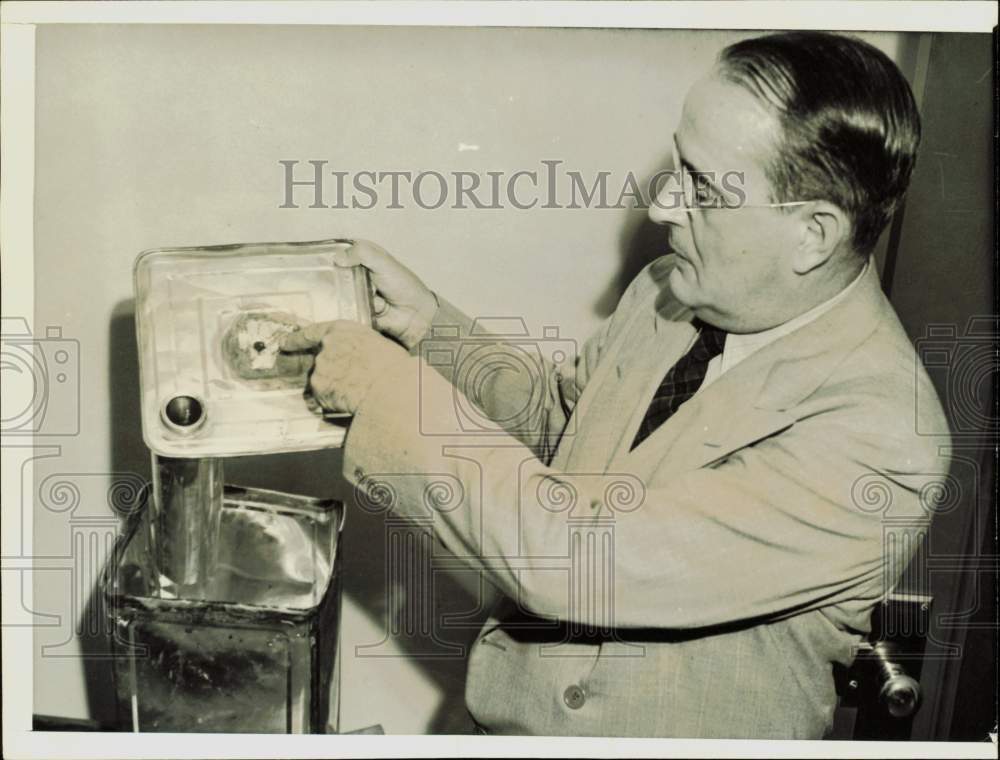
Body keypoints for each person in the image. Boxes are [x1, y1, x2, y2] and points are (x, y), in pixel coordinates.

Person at [280, 31, 951, 738]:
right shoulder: (674, 289)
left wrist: (389, 395)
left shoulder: (880, 437)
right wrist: (428, 330)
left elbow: (583, 557)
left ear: (813, 234)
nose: (663, 205)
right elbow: (566, 433)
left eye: (702, 186)